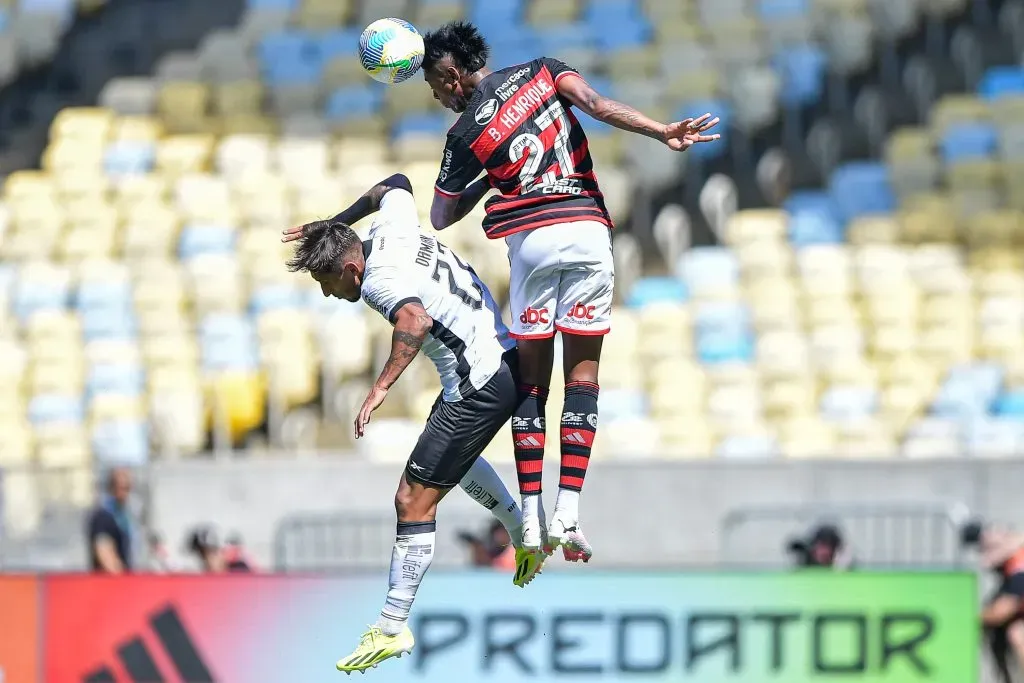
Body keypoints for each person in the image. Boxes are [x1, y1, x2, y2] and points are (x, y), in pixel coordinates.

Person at [422, 21, 720, 561]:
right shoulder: (544, 70)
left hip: (532, 241)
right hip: (587, 232)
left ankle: (531, 520)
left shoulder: (465, 132)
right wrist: (662, 131)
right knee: (583, 378)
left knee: (532, 383)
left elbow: (441, 215)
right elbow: (600, 106)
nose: (442, 99)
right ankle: (569, 514)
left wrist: (491, 174)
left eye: (438, 89)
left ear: (453, 72)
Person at [282, 173, 547, 674]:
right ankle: (523, 532)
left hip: (481, 380)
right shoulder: (391, 227)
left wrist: (380, 387)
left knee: (411, 498)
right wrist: (334, 226)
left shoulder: (378, 282)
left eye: (326, 281)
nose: (327, 293)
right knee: (453, 467)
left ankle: (390, 625)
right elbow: (395, 184)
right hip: (497, 358)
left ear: (351, 270)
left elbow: (415, 320)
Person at [963, 520, 1024, 681]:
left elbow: (1002, 610)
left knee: (1017, 633)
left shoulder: (1019, 564)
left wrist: (968, 620)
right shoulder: (1009, 569)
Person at [86, 468, 135, 574]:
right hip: (109, 583)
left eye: (128, 488)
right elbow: (105, 554)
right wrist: (121, 579)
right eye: (121, 488)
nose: (125, 493)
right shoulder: (103, 517)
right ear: (112, 488)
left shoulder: (124, 515)